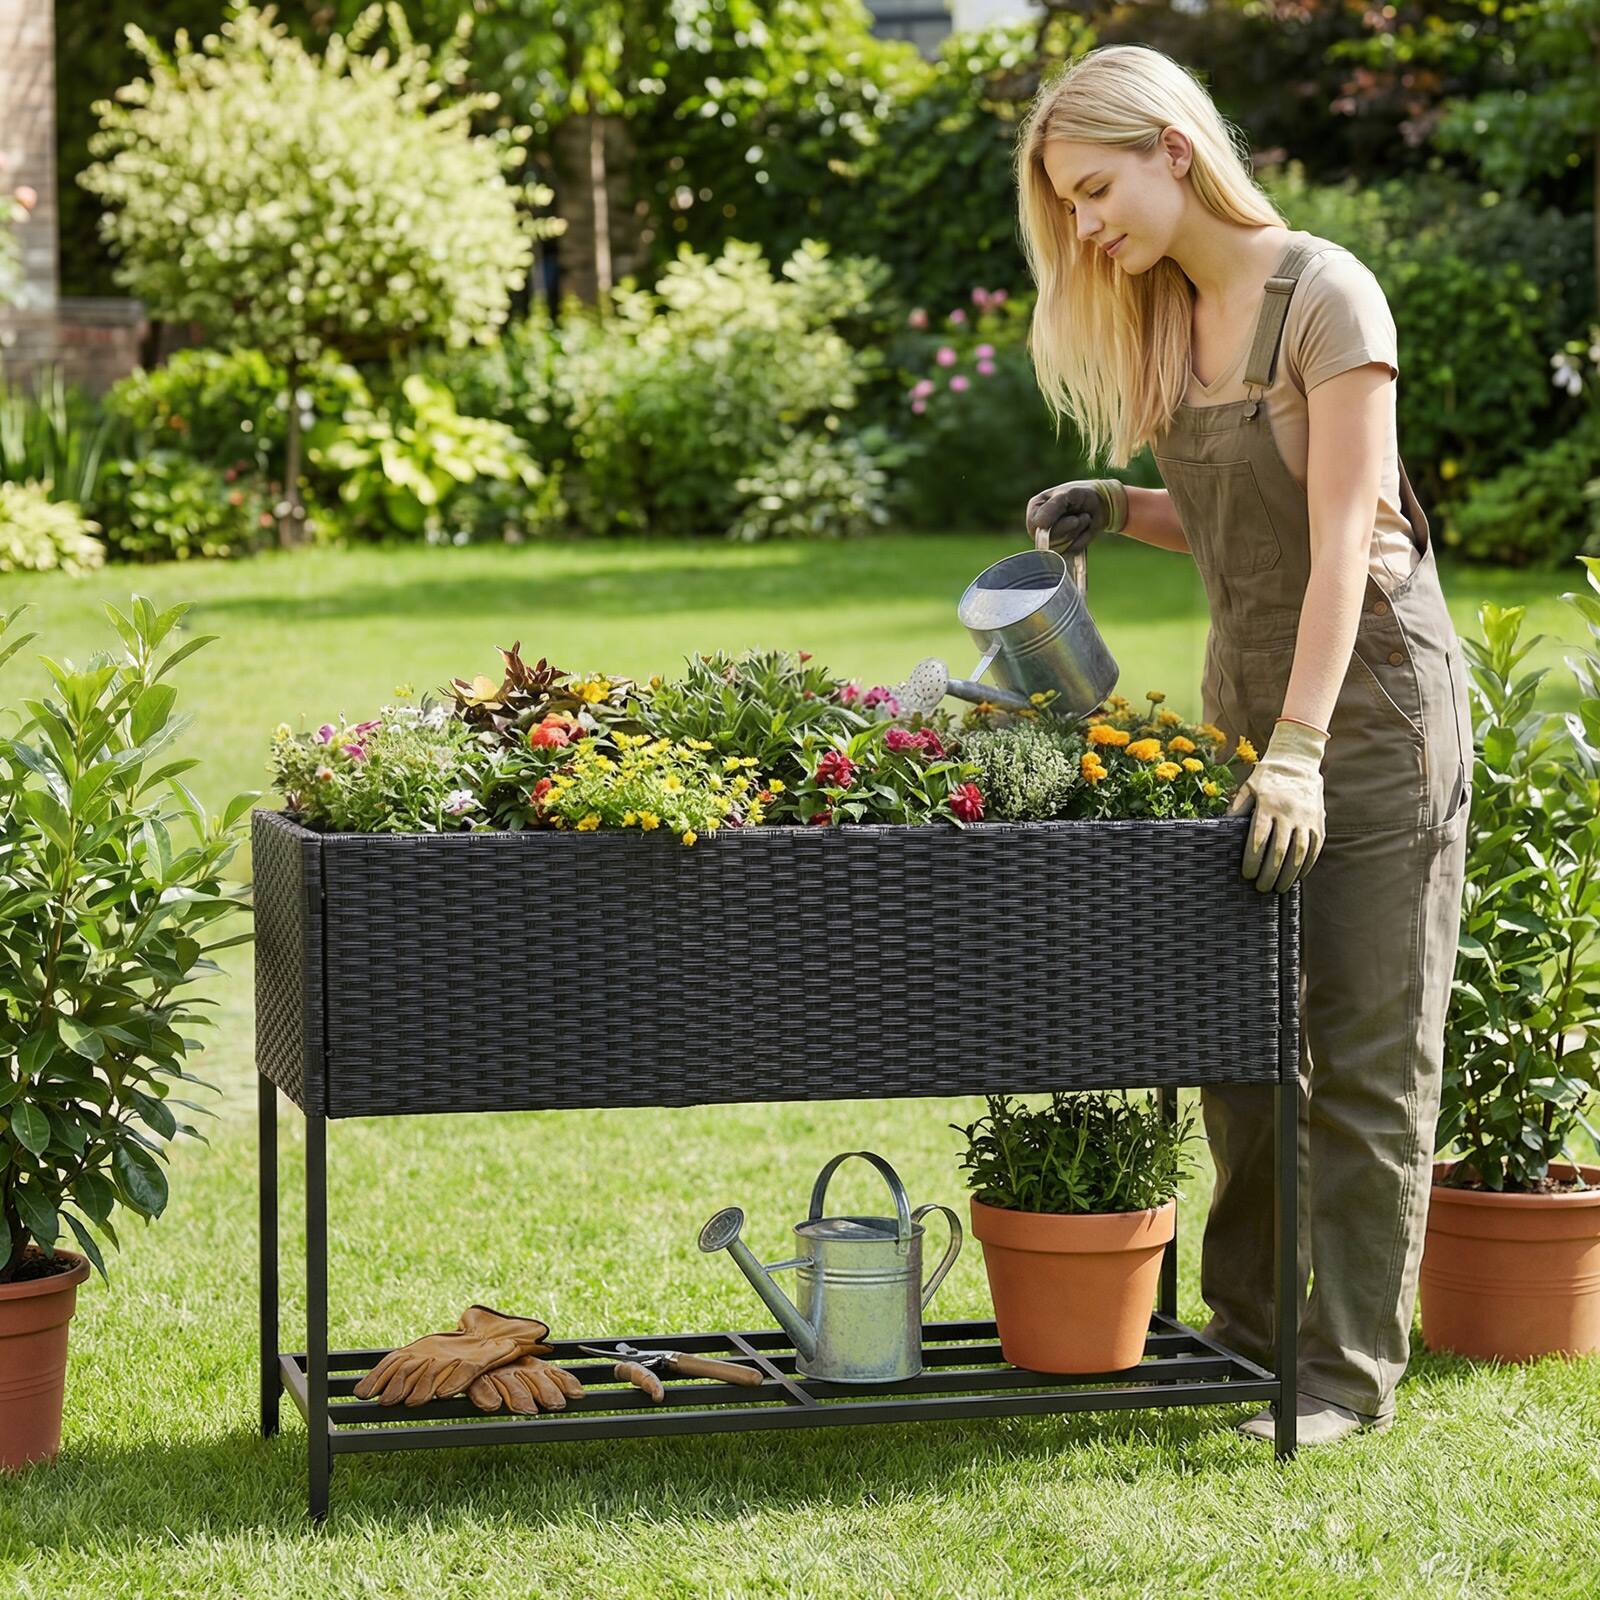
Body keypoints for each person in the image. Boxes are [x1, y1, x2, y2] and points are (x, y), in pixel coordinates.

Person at [1015, 44, 1473, 1446]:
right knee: (1244, 1044)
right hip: (1247, 714)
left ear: (1171, 144)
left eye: (1097, 190)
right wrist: (1117, 502)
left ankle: (1345, 1375)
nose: (1089, 228)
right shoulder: (1172, 318)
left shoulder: (1323, 296)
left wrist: (1300, 751)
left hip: (1372, 714)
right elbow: (1224, 518)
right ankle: (1249, 1334)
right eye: (1068, 208)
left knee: (1366, 1042)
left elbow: (1342, 542)